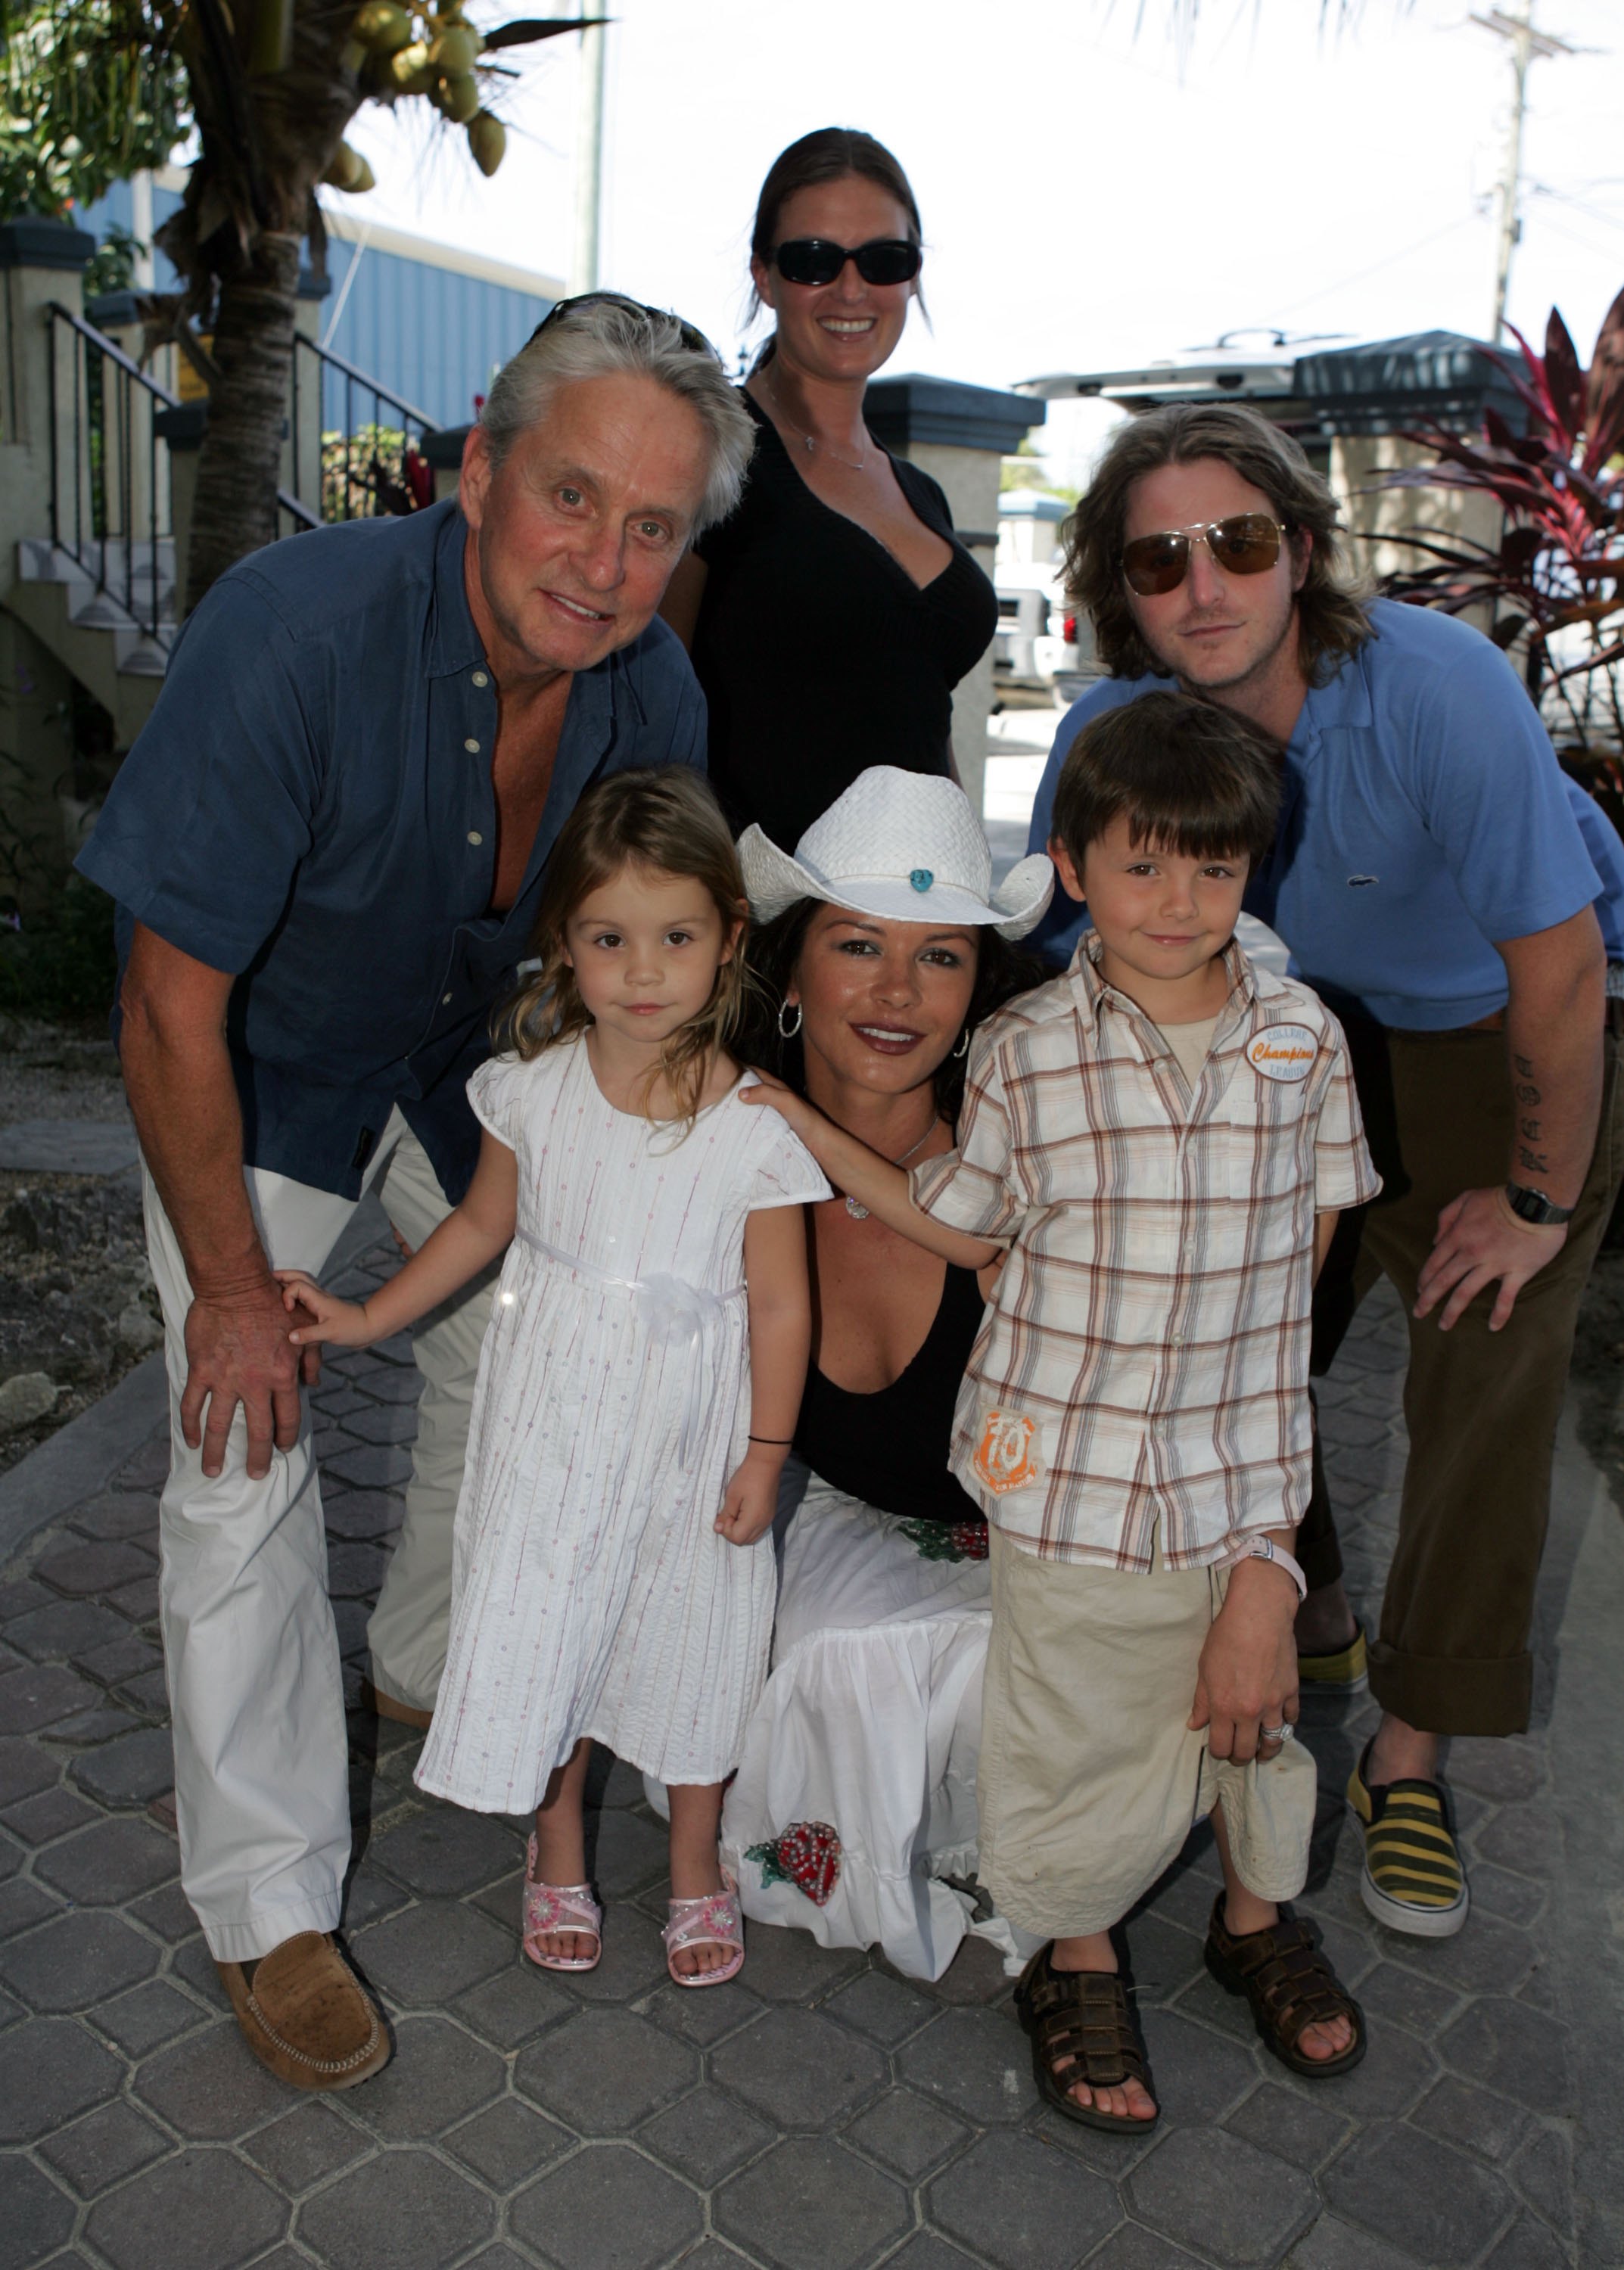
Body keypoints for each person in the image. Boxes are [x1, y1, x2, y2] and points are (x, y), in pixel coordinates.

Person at [73, 298, 757, 2083]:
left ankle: (431, 1662)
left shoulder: (648, 690)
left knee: (515, 1347)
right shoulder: (293, 634)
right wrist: (233, 1287)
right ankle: (267, 1893)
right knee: (241, 1443)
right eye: (568, 497)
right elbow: (166, 996)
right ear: (476, 470)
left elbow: (646, 962)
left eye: (651, 525)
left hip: (473, 1069)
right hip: (263, 1071)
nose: (603, 564)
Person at [1025, 403, 1624, 1942]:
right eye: (1158, 561)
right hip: (1280, 1044)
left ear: (1298, 550)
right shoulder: (1113, 742)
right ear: (1115, 590)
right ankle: (1319, 1611)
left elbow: (1553, 969)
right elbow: (1053, 969)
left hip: (1498, 1033)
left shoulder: (1435, 692)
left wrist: (1536, 1201)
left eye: (1235, 542)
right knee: (1223, 1346)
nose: (1202, 587)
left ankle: (1410, 1755)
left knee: (1484, 1367)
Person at [749, 698, 1377, 2130]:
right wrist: (797, 1128)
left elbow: (1300, 1287)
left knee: (1256, 1715)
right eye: (1141, 868)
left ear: (1252, 873)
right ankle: (1072, 1946)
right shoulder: (1028, 1054)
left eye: (1213, 871)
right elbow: (964, 1229)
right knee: (1075, 1721)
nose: (1179, 903)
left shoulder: (1305, 1042)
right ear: (1076, 870)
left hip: (1233, 1461)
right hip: (1070, 1476)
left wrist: (1271, 1552)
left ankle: (1253, 1920)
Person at [282, 770, 829, 1986]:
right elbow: (480, 1229)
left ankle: (696, 1865)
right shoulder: (530, 1093)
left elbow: (784, 1299)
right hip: (556, 1424)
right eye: (609, 939)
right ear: (566, 949)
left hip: (695, 1433)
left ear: (730, 939)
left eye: (675, 937)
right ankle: (559, 1840)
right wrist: (367, 1313)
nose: (644, 970)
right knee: (559, 1628)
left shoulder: (755, 1126)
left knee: (695, 1640)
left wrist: (766, 1451)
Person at [704, 767, 1053, 1980]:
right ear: (792, 969)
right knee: (804, 1647)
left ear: (981, 986)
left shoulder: (1032, 1144)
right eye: (857, 945)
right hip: (847, 1522)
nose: (898, 992)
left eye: (940, 956)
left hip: (1045, 1543)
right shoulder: (720, 1144)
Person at [660, 127, 997, 845]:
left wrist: (965, 903)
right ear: (764, 276)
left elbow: (923, 728)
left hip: (919, 911)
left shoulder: (921, 493)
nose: (851, 289)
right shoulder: (710, 458)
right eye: (814, 260)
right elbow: (644, 714)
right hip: (767, 920)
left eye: (884, 259)